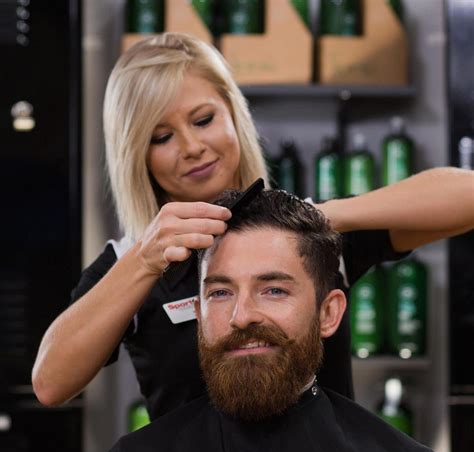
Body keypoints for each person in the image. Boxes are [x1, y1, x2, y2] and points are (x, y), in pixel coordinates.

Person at [32, 32, 474, 421]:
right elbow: (51, 384)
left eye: (204, 119)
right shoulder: (130, 258)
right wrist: (145, 260)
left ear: (233, 115)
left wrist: (325, 216)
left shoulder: (310, 231)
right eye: (161, 137)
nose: (192, 147)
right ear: (136, 155)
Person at [92, 189, 457, 452]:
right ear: (199, 316)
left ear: (329, 313)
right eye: (220, 292)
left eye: (274, 290)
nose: (243, 315)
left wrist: (319, 214)